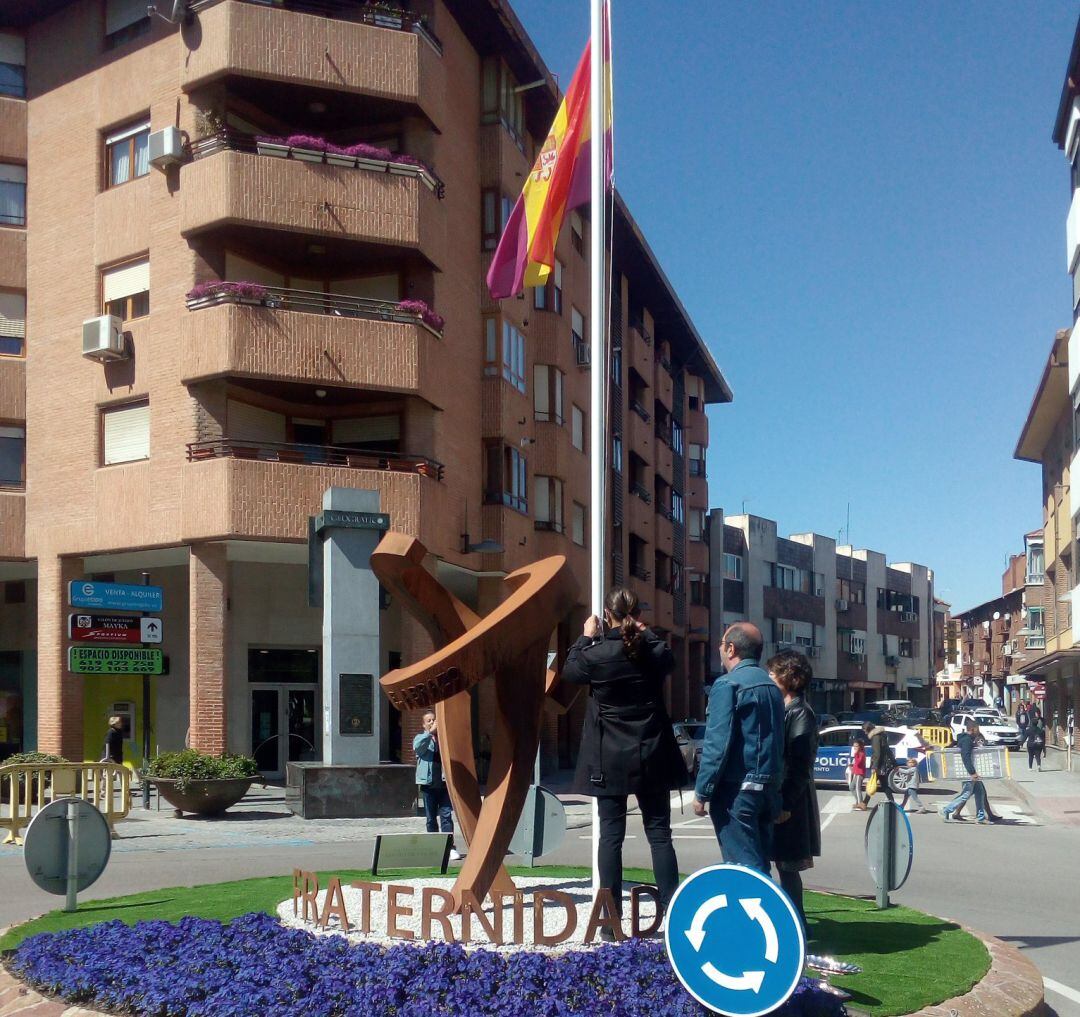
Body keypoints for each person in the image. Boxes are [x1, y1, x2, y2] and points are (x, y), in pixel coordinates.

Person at [563, 587, 686, 929]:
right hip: (651, 752)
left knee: (610, 837)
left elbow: (570, 672)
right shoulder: (651, 650)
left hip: (609, 757)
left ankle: (609, 919)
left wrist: (586, 637)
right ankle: (673, 915)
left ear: (607, 614)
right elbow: (668, 657)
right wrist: (645, 632)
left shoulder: (598, 653)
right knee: (659, 834)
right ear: (638, 613)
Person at [693, 622, 784, 874]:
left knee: (744, 869)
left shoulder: (727, 685)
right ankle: (767, 911)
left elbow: (716, 744)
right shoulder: (772, 687)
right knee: (760, 864)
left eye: (722, 645)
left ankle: (755, 913)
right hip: (768, 788)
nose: (720, 649)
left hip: (737, 790)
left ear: (731, 649)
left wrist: (702, 792)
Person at [767, 650, 820, 936]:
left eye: (773, 673)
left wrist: (786, 802)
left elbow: (800, 763)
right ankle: (794, 924)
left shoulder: (800, 712)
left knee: (787, 867)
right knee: (783, 865)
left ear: (789, 677)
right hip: (785, 795)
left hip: (791, 800)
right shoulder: (787, 709)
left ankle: (797, 926)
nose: (769, 678)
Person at [413, 710, 461, 861]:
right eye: (429, 721)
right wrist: (430, 733)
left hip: (444, 785)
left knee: (446, 816)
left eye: (434, 720)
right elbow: (418, 748)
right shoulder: (421, 738)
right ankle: (434, 848)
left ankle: (449, 847)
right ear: (424, 724)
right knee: (431, 818)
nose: (432, 722)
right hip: (428, 786)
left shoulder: (443, 739)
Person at [941, 720, 988, 824]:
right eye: (977, 729)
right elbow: (965, 757)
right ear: (972, 729)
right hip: (968, 772)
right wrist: (972, 772)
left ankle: (980, 817)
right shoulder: (967, 740)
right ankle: (946, 809)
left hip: (970, 770)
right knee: (966, 794)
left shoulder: (967, 739)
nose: (978, 731)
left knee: (980, 792)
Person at [863, 720, 896, 803]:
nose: (864, 732)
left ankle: (864, 803)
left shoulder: (875, 737)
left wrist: (874, 766)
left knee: (874, 783)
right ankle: (891, 801)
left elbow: (877, 753)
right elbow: (888, 750)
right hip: (882, 764)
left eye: (864, 730)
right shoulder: (881, 735)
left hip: (879, 765)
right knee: (882, 784)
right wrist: (894, 762)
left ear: (868, 729)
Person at [849, 738, 868, 811]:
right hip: (856, 773)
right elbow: (856, 764)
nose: (855, 748)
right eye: (854, 746)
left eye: (856, 746)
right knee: (851, 787)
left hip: (860, 774)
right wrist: (852, 767)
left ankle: (861, 804)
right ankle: (858, 801)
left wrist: (856, 753)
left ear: (860, 747)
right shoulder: (858, 753)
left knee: (857, 788)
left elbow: (859, 763)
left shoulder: (861, 754)